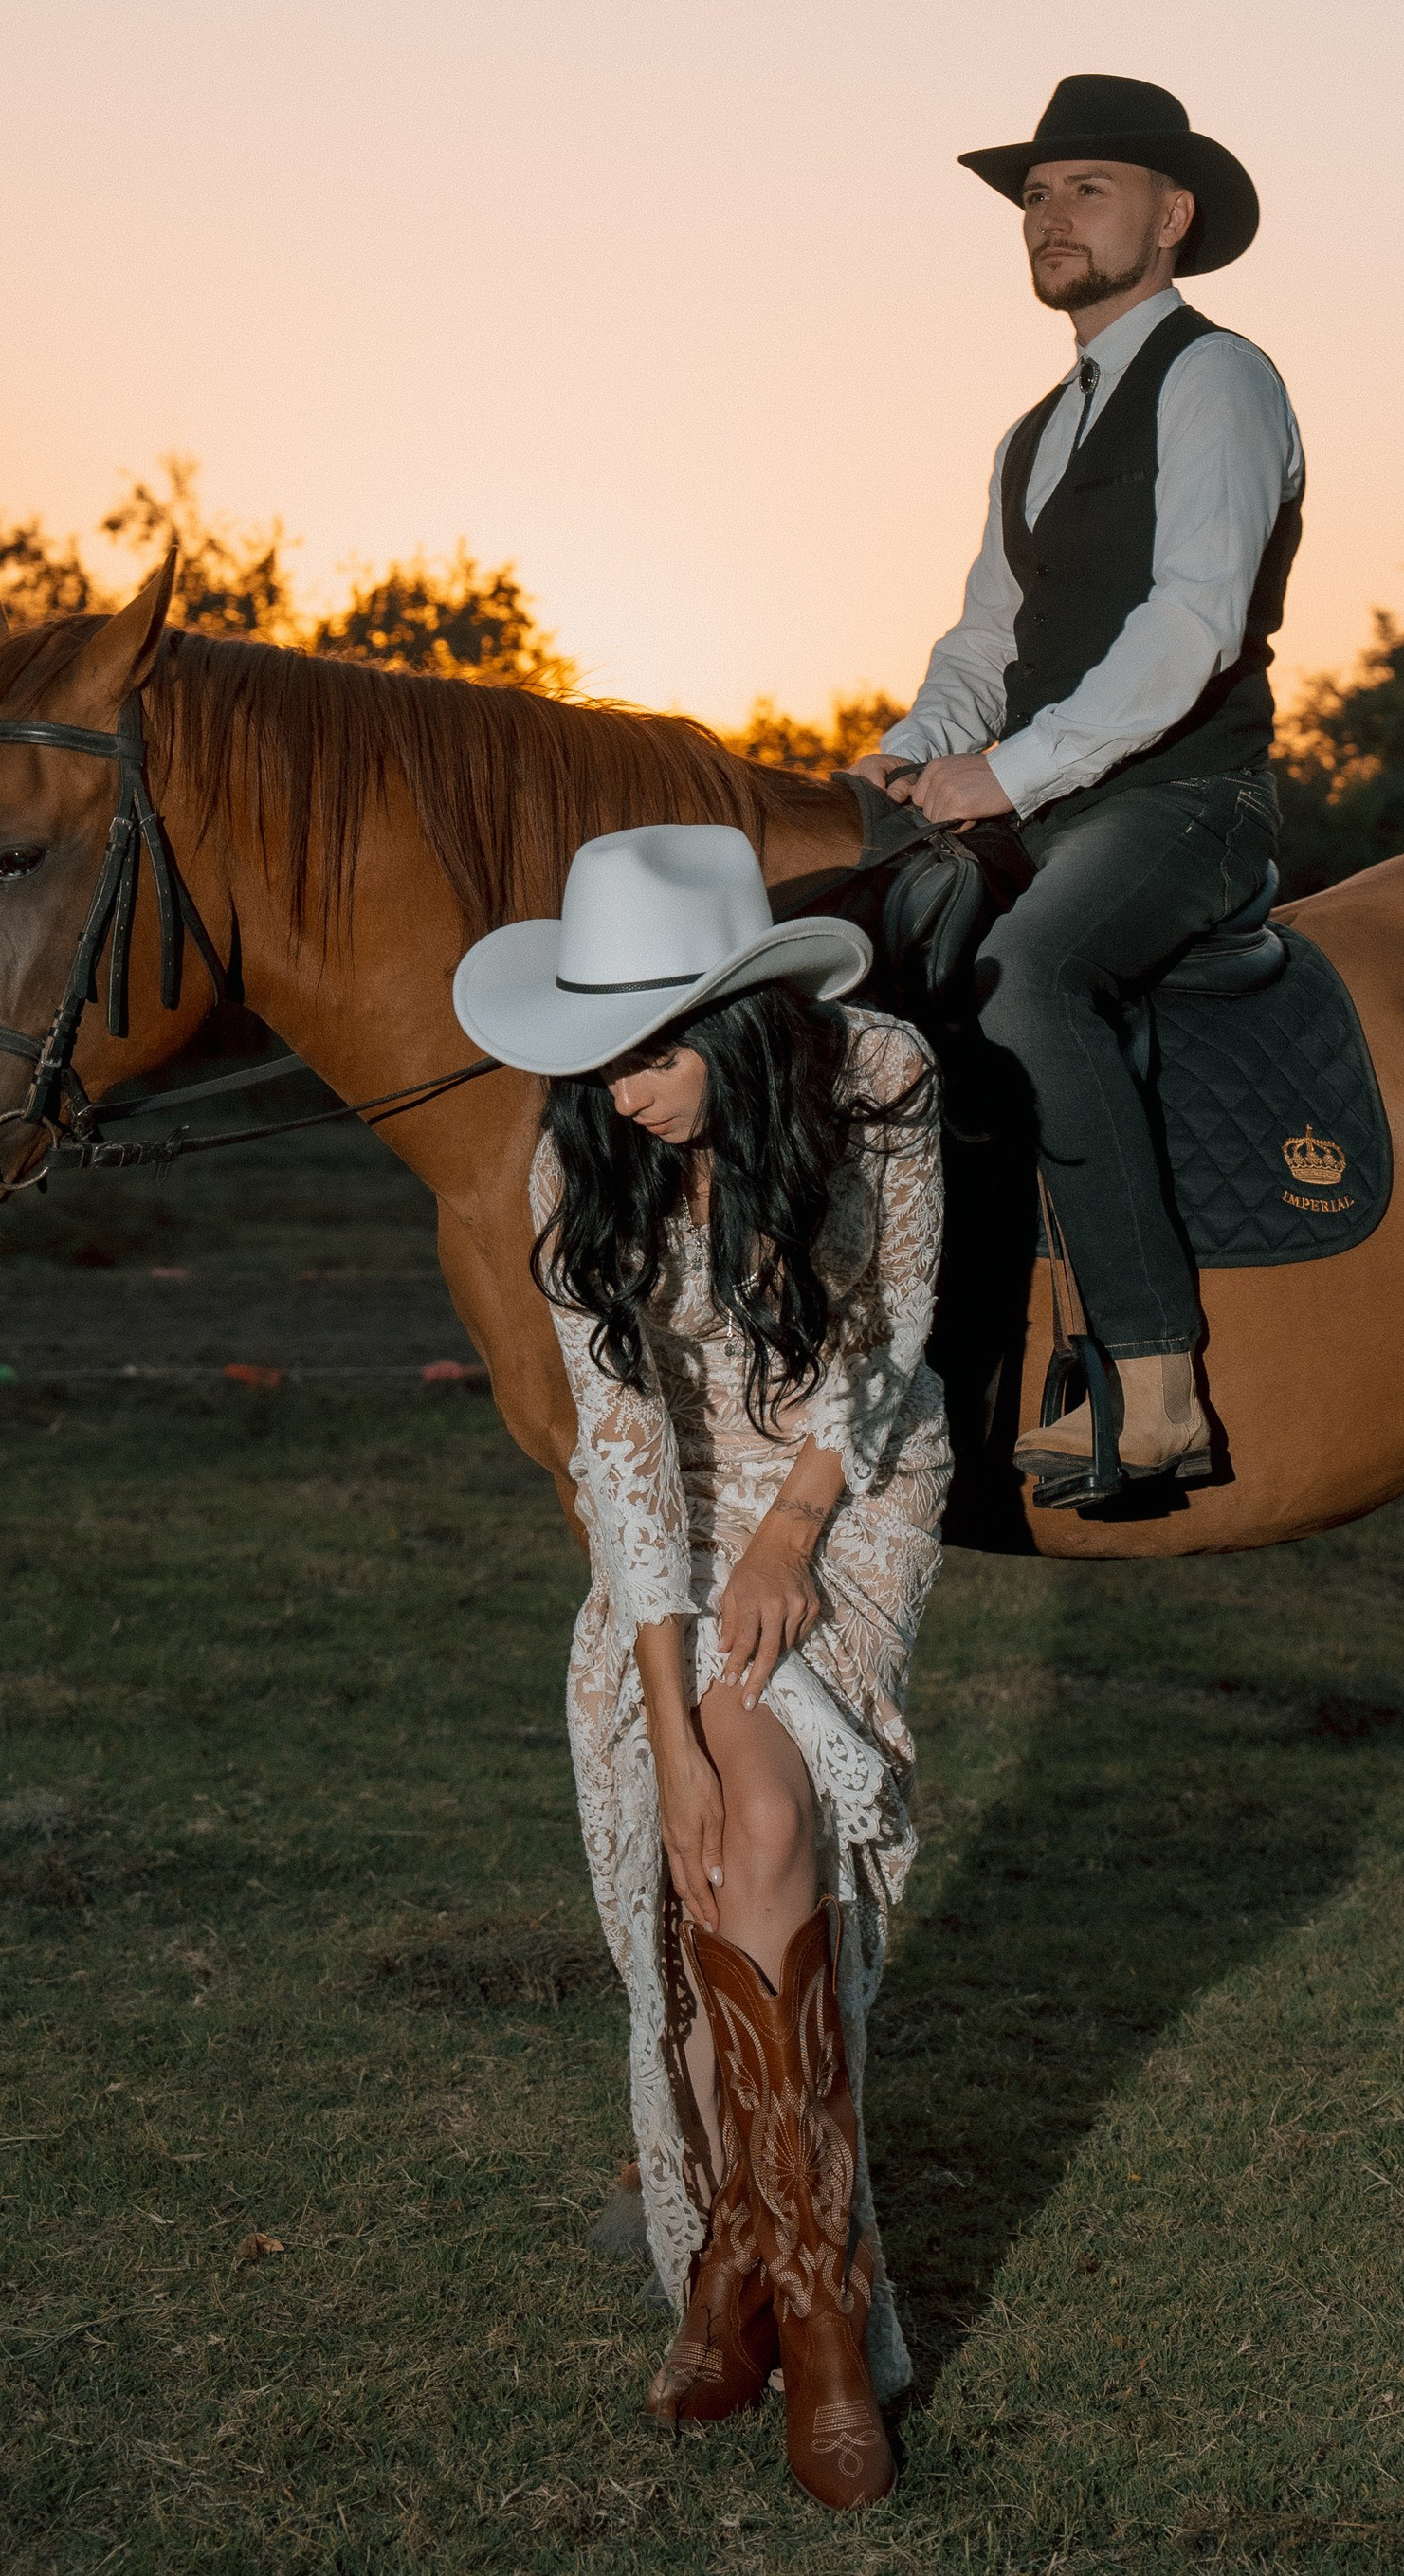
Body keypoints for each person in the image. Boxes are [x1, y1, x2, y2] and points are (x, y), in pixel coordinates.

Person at [450, 823, 946, 2513]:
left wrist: (799, 1531)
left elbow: (891, 1334)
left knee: (767, 1824)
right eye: (599, 1044)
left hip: (851, 1476)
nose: (623, 1082)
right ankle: (765, 2256)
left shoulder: (877, 1079)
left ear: (738, 1024)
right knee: (721, 1827)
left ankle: (795, 2301)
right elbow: (624, 1447)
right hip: (676, 1521)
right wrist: (666, 1724)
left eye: (654, 1046)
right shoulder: (573, 1149)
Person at [849, 73, 1302, 1499]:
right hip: (1041, 800)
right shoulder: (1034, 430)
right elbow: (986, 637)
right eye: (1035, 197)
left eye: (1084, 189)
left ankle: (1153, 1383)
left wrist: (1016, 770)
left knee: (1029, 977)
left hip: (1185, 801)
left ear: (1171, 217)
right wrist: (925, 745)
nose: (1049, 216)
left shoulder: (1219, 376)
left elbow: (1192, 621)